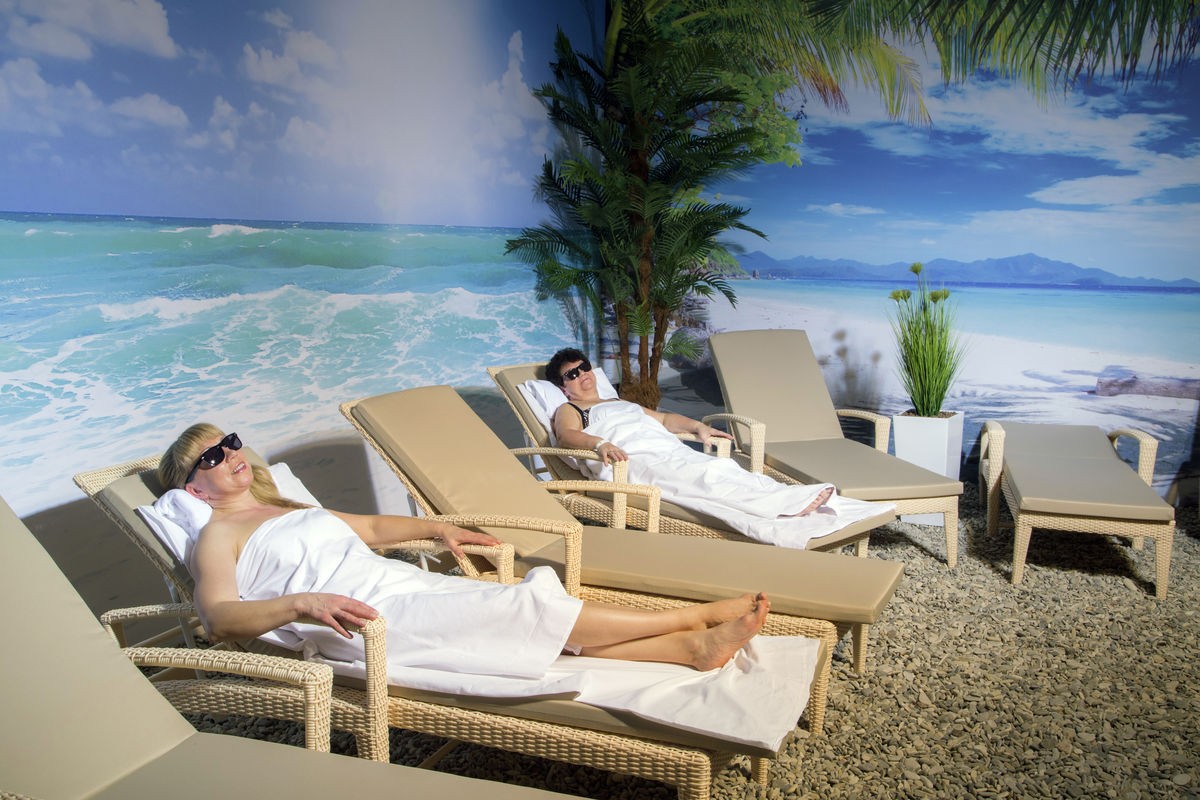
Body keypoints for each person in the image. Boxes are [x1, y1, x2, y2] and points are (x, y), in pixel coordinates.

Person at [161, 423, 772, 682]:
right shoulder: (217, 535)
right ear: (193, 489)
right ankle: (690, 618)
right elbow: (218, 618)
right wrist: (303, 604)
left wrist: (437, 530)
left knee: (510, 610)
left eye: (230, 442)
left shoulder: (289, 509)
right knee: (519, 608)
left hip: (399, 586)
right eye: (211, 457)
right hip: (358, 618)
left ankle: (690, 650)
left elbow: (370, 527)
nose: (230, 455)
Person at [546, 347, 890, 548]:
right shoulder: (571, 409)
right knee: (704, 478)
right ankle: (786, 506)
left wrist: (699, 428)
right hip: (633, 460)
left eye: (583, 367)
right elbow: (566, 437)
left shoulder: (620, 402)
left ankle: (785, 499)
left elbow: (664, 420)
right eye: (571, 375)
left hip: (666, 449)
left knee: (719, 468)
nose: (581, 375)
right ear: (563, 387)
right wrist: (600, 443)